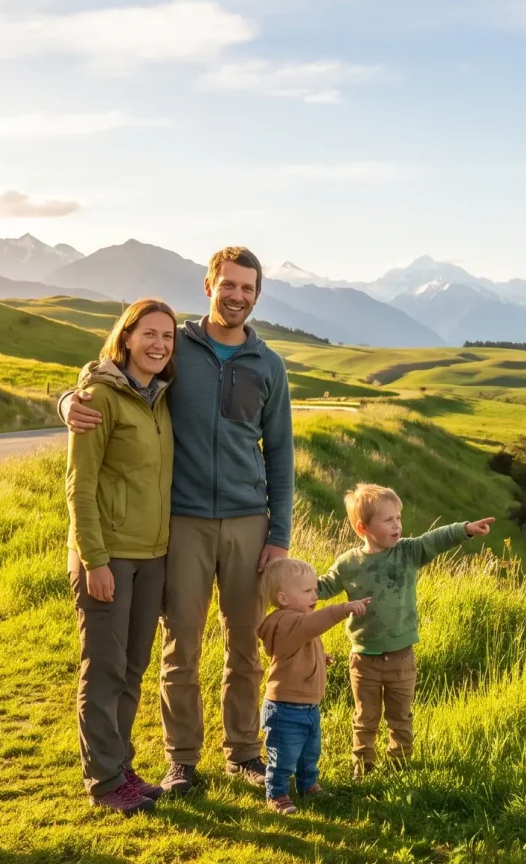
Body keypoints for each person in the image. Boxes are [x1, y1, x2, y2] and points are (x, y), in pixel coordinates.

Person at [61, 247, 294, 794]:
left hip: (248, 524)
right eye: (228, 285)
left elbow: (280, 455)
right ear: (209, 284)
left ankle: (243, 751)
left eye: (248, 288)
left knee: (244, 645)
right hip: (181, 523)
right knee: (180, 645)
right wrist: (69, 398)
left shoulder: (270, 366)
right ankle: (182, 759)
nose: (237, 296)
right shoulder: (177, 349)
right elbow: (113, 371)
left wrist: (278, 536)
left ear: (257, 295)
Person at [65, 298, 179, 815]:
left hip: (151, 556)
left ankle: (122, 766)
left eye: (168, 337)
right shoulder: (99, 398)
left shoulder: (159, 399)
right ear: (127, 337)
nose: (159, 344)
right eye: (149, 334)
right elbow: (79, 487)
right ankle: (105, 782)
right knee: (105, 669)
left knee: (133, 667)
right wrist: (94, 560)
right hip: (107, 555)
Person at [317, 483, 492, 774]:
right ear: (363, 528)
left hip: (401, 657)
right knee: (365, 716)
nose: (397, 524)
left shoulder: (408, 552)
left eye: (398, 517)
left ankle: (400, 765)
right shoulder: (349, 564)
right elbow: (323, 587)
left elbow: (434, 539)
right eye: (388, 520)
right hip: (364, 659)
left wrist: (465, 529)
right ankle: (363, 765)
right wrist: (295, 582)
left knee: (400, 716)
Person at [255, 558, 369, 814]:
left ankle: (308, 785)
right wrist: (343, 609)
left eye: (314, 589)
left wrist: (321, 658)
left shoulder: (298, 621)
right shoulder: (286, 622)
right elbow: (313, 624)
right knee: (283, 756)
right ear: (283, 598)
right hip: (285, 708)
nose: (314, 595)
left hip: (308, 706)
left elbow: (302, 648)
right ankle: (277, 794)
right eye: (306, 591)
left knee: (309, 753)